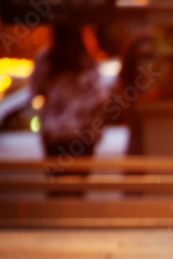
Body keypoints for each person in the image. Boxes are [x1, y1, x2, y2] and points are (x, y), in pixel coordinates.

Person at [29, 22, 110, 195]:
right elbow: (100, 96)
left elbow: (35, 90)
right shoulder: (87, 60)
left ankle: (57, 218)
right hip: (82, 135)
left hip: (55, 135)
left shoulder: (46, 58)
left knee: (57, 188)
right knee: (77, 190)